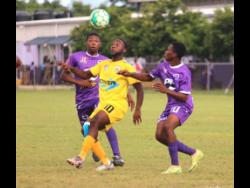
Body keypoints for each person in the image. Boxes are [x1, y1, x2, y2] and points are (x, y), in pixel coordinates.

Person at [118, 42, 204, 174]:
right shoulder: (163, 66)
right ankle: (194, 152)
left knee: (168, 127)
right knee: (159, 135)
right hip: (171, 104)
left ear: (174, 54)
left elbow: (184, 97)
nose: (165, 52)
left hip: (184, 104)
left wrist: (165, 90)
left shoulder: (184, 72)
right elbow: (147, 77)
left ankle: (175, 166)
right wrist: (130, 74)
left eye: (168, 50)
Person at [61, 38, 144, 171]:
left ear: (124, 50)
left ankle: (80, 157)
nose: (113, 45)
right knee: (86, 128)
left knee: (95, 121)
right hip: (102, 105)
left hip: (117, 105)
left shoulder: (126, 67)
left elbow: (139, 88)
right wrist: (70, 68)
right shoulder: (104, 64)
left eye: (118, 44)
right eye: (112, 44)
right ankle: (106, 162)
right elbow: (85, 74)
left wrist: (138, 109)